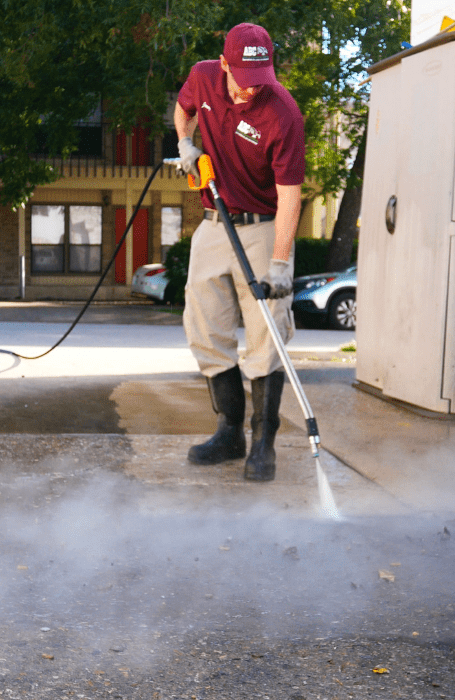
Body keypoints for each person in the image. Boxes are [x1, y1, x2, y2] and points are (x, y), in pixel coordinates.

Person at [173, 22, 305, 482]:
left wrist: (281, 262)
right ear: (225, 64)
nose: (252, 90)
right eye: (244, 79)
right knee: (204, 327)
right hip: (214, 223)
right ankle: (229, 433)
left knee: (266, 337)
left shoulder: (283, 112)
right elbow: (182, 109)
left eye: (261, 78)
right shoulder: (204, 76)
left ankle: (263, 444)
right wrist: (184, 143)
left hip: (263, 227)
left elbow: (290, 195)